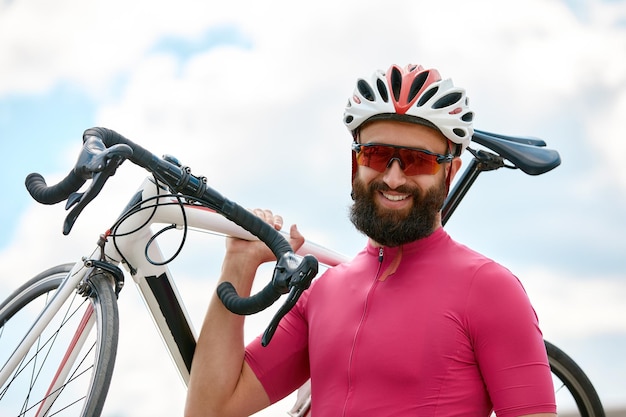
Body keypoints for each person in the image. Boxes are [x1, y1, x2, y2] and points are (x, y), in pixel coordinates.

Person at [185, 64, 557, 417]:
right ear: (355, 165)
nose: (394, 179)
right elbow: (209, 410)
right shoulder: (321, 294)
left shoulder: (491, 290)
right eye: (376, 155)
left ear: (449, 173)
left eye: (417, 161)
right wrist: (238, 262)